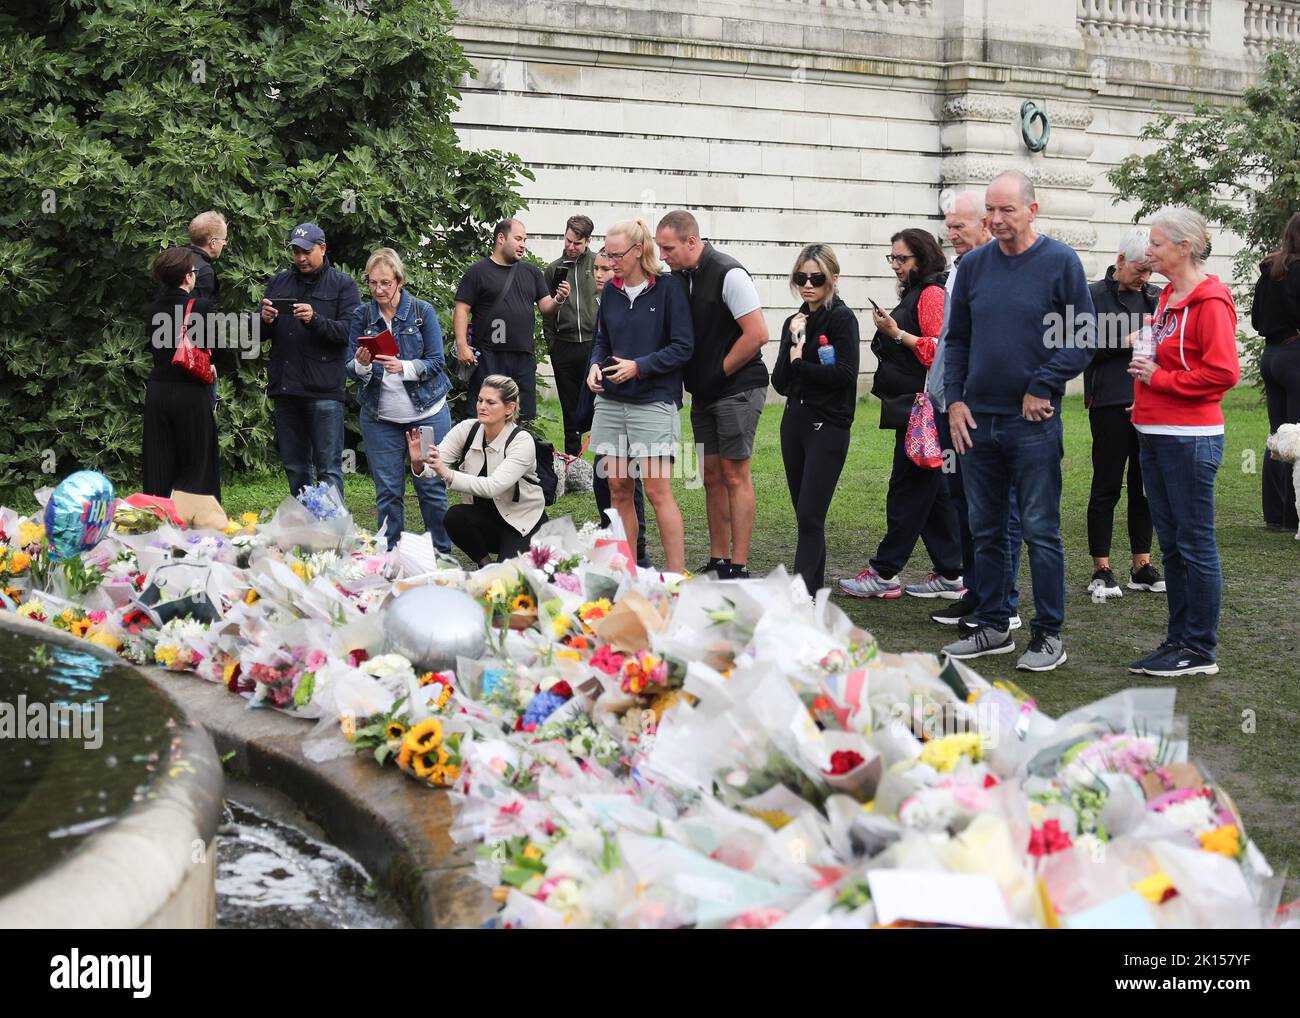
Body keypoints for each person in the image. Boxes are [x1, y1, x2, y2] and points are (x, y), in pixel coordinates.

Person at [941, 170, 1095, 672]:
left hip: (1033, 423)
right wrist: (956, 400)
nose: (996, 219)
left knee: (1040, 531)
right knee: (985, 529)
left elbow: (1084, 336)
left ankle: (1048, 635)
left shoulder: (1059, 262)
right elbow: (957, 339)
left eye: (1007, 209)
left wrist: (1042, 383)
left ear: (1033, 208)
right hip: (977, 422)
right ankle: (993, 624)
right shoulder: (975, 266)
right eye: (991, 209)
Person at [1128, 207, 1240, 677]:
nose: (1147, 251)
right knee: (1172, 545)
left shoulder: (1210, 301)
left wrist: (1162, 379)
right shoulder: (1168, 296)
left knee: (1194, 544)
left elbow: (1223, 373)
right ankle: (1180, 640)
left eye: (1155, 244)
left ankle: (1199, 648)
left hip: (1189, 437)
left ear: (1183, 247)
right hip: (1156, 432)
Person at [840, 229, 962, 599]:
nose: (895, 265)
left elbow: (940, 351)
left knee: (908, 489)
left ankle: (884, 571)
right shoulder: (918, 292)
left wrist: (896, 334)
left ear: (922, 258)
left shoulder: (930, 294)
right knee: (934, 490)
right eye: (892, 258)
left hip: (924, 409)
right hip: (914, 407)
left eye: (902, 259)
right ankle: (951, 572)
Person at [925, 192, 1024, 631]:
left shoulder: (996, 270)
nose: (951, 234)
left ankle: (1004, 602)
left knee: (996, 509)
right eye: (948, 226)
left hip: (979, 408)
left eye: (959, 226)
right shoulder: (959, 270)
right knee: (963, 503)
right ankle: (976, 591)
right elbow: (951, 339)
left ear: (985, 226)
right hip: (949, 403)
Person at [656, 210, 769, 578]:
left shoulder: (729, 272)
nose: (663, 257)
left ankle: (740, 564)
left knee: (736, 474)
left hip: (738, 387)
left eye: (668, 248)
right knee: (711, 475)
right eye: (659, 249)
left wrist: (718, 372)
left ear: (692, 241)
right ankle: (720, 559)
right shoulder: (679, 277)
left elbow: (757, 334)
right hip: (704, 393)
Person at [586, 218, 694, 572]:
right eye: (606, 254)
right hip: (612, 401)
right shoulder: (612, 292)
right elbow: (602, 338)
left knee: (656, 491)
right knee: (618, 486)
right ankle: (628, 574)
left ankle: (676, 578)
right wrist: (594, 365)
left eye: (616, 255)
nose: (610, 262)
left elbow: (683, 347)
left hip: (654, 400)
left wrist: (640, 366)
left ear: (638, 251)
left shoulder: (668, 288)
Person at [347, 248, 453, 554]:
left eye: (385, 283)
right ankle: (390, 557)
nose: (378, 290)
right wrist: (363, 364)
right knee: (388, 492)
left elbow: (436, 362)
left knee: (430, 486)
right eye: (372, 283)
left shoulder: (422, 312)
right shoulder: (362, 315)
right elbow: (349, 367)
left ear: (399, 280)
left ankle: (441, 555)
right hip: (381, 417)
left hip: (427, 413)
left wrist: (404, 367)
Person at [771, 245, 859, 594]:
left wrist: (798, 365)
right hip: (795, 422)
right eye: (801, 278)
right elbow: (780, 382)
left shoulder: (842, 319)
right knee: (806, 516)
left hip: (828, 424)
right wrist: (793, 340)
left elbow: (845, 375)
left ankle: (801, 595)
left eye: (817, 278)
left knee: (810, 514)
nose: (808, 285)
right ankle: (812, 592)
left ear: (832, 279)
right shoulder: (795, 320)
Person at [1085, 228, 1163, 598]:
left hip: (1149, 402)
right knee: (1106, 486)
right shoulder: (1091, 294)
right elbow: (1079, 345)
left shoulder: (1156, 297)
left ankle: (1141, 565)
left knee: (1144, 487)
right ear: (1119, 261)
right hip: (1108, 403)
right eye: (1140, 270)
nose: (1146, 278)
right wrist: (1125, 341)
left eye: (1151, 271)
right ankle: (1101, 567)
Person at [260, 222, 361, 499]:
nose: (301, 258)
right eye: (296, 251)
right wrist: (264, 321)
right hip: (286, 390)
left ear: (323, 248)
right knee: (295, 467)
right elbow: (258, 335)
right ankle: (307, 538)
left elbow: (349, 334)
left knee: (328, 468)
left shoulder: (343, 284)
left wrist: (315, 320)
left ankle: (331, 538)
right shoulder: (278, 282)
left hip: (324, 392)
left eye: (306, 251)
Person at [407, 375, 546, 565]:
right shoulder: (466, 429)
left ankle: (523, 552)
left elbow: (493, 487)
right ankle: (485, 565)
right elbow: (434, 467)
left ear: (509, 408)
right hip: (486, 518)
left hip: (521, 522)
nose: (482, 406)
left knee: (511, 579)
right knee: (455, 517)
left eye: (490, 402)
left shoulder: (522, 441)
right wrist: (419, 463)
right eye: (480, 400)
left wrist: (446, 473)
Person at [454, 219, 570, 422]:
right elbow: (462, 309)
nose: (523, 244)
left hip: (523, 358)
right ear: (501, 238)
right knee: (484, 416)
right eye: (518, 238)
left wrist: (559, 299)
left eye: (524, 240)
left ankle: (513, 454)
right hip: (489, 357)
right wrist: (462, 345)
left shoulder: (532, 272)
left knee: (520, 418)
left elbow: (546, 308)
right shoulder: (477, 272)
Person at [142, 246, 222, 497]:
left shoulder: (152, 310)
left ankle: (158, 519)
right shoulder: (202, 307)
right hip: (190, 391)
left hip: (159, 392)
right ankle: (196, 524)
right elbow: (214, 348)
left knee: (159, 461)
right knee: (197, 462)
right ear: (188, 277)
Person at [588, 246, 650, 567]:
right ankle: (614, 538)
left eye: (607, 267)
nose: (601, 273)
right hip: (604, 394)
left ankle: (637, 549)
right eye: (597, 268)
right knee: (607, 478)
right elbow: (600, 344)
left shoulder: (637, 299)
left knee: (630, 480)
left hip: (635, 401)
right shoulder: (605, 300)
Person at [1252, 211, 1300, 533]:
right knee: (1296, 435)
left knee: (1277, 435)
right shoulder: (1296, 271)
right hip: (1294, 354)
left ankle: (1274, 514)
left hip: (1270, 355)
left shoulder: (1271, 269)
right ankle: (1291, 516)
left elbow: (1256, 319)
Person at [544, 215, 599, 455]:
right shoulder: (554, 269)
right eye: (568, 240)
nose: (570, 246)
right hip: (563, 346)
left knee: (599, 404)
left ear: (587, 241)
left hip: (593, 345)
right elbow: (545, 311)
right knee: (569, 408)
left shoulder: (599, 264)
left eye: (577, 243)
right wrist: (552, 346)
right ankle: (571, 462)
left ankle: (603, 461)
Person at [186, 210, 228, 303]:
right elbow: (197, 312)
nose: (224, 243)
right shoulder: (205, 272)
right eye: (224, 239)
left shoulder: (175, 259)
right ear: (213, 243)